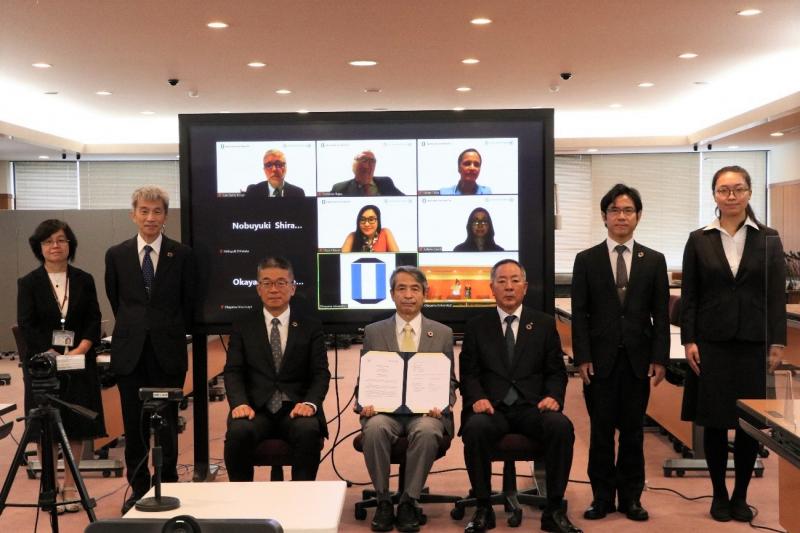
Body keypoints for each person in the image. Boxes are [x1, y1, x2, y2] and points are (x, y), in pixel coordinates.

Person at [680, 165, 786, 523]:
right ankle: (719, 494)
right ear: (714, 195)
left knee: (747, 424)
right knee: (713, 422)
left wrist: (778, 342)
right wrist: (689, 339)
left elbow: (775, 296)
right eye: (724, 190)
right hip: (711, 342)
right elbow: (690, 296)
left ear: (749, 193)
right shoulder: (699, 239)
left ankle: (740, 495)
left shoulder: (768, 238)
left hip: (752, 342)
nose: (731, 196)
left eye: (738, 189)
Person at [571, 184, 670, 522]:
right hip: (599, 362)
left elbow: (661, 314)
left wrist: (659, 358)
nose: (621, 216)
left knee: (632, 433)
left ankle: (631, 498)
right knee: (600, 433)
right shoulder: (586, 260)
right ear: (604, 216)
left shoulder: (654, 261)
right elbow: (579, 314)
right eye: (615, 210)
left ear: (638, 216)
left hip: (637, 362)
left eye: (628, 210)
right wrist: (581, 357)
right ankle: (601, 498)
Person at [460, 259, 581, 533]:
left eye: (515, 281)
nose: (509, 287)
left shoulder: (544, 323)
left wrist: (554, 397)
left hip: (532, 407)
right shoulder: (477, 325)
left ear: (525, 288)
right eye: (502, 281)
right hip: (492, 407)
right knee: (475, 428)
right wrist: (477, 397)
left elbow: (556, 372)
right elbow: (469, 372)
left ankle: (554, 510)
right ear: (492, 288)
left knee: (561, 427)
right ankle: (483, 508)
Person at [105, 185, 195, 514]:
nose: (150, 217)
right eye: (144, 210)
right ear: (133, 214)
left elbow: (188, 302)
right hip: (130, 353)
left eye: (157, 211)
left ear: (166, 216)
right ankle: (140, 487)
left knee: (168, 422)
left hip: (167, 351)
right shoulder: (116, 254)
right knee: (134, 424)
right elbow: (118, 301)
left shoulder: (181, 254)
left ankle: (168, 481)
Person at [358, 266, 457, 532]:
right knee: (375, 428)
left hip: (426, 414)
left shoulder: (443, 333)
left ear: (425, 294)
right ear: (392, 294)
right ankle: (383, 501)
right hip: (385, 412)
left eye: (415, 289)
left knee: (426, 431)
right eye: (401, 288)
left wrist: (444, 404)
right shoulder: (374, 331)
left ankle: (409, 502)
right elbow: (365, 378)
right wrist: (363, 402)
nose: (408, 295)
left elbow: (450, 380)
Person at [17, 219, 106, 513]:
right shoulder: (28, 283)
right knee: (46, 426)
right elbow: (28, 325)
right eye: (48, 242)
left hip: (78, 361)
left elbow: (94, 319)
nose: (55, 246)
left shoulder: (84, 279)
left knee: (76, 424)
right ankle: (50, 485)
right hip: (44, 364)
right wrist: (50, 351)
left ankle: (70, 484)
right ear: (39, 247)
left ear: (70, 245)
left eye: (61, 240)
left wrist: (81, 348)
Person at [224, 256, 330, 482]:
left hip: (296, 408)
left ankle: (302, 499)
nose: (274, 289)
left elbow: (320, 373)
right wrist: (239, 403)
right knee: (238, 431)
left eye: (281, 283)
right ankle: (240, 503)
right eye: (267, 283)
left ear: (292, 288)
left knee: (308, 430)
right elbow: (233, 371)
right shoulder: (242, 325)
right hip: (255, 409)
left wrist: (310, 404)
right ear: (258, 289)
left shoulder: (310, 326)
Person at [330, 150, 404, 196]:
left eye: (372, 161)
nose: (368, 166)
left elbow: (405, 200)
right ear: (354, 165)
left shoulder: (386, 182)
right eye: (364, 160)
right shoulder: (339, 189)